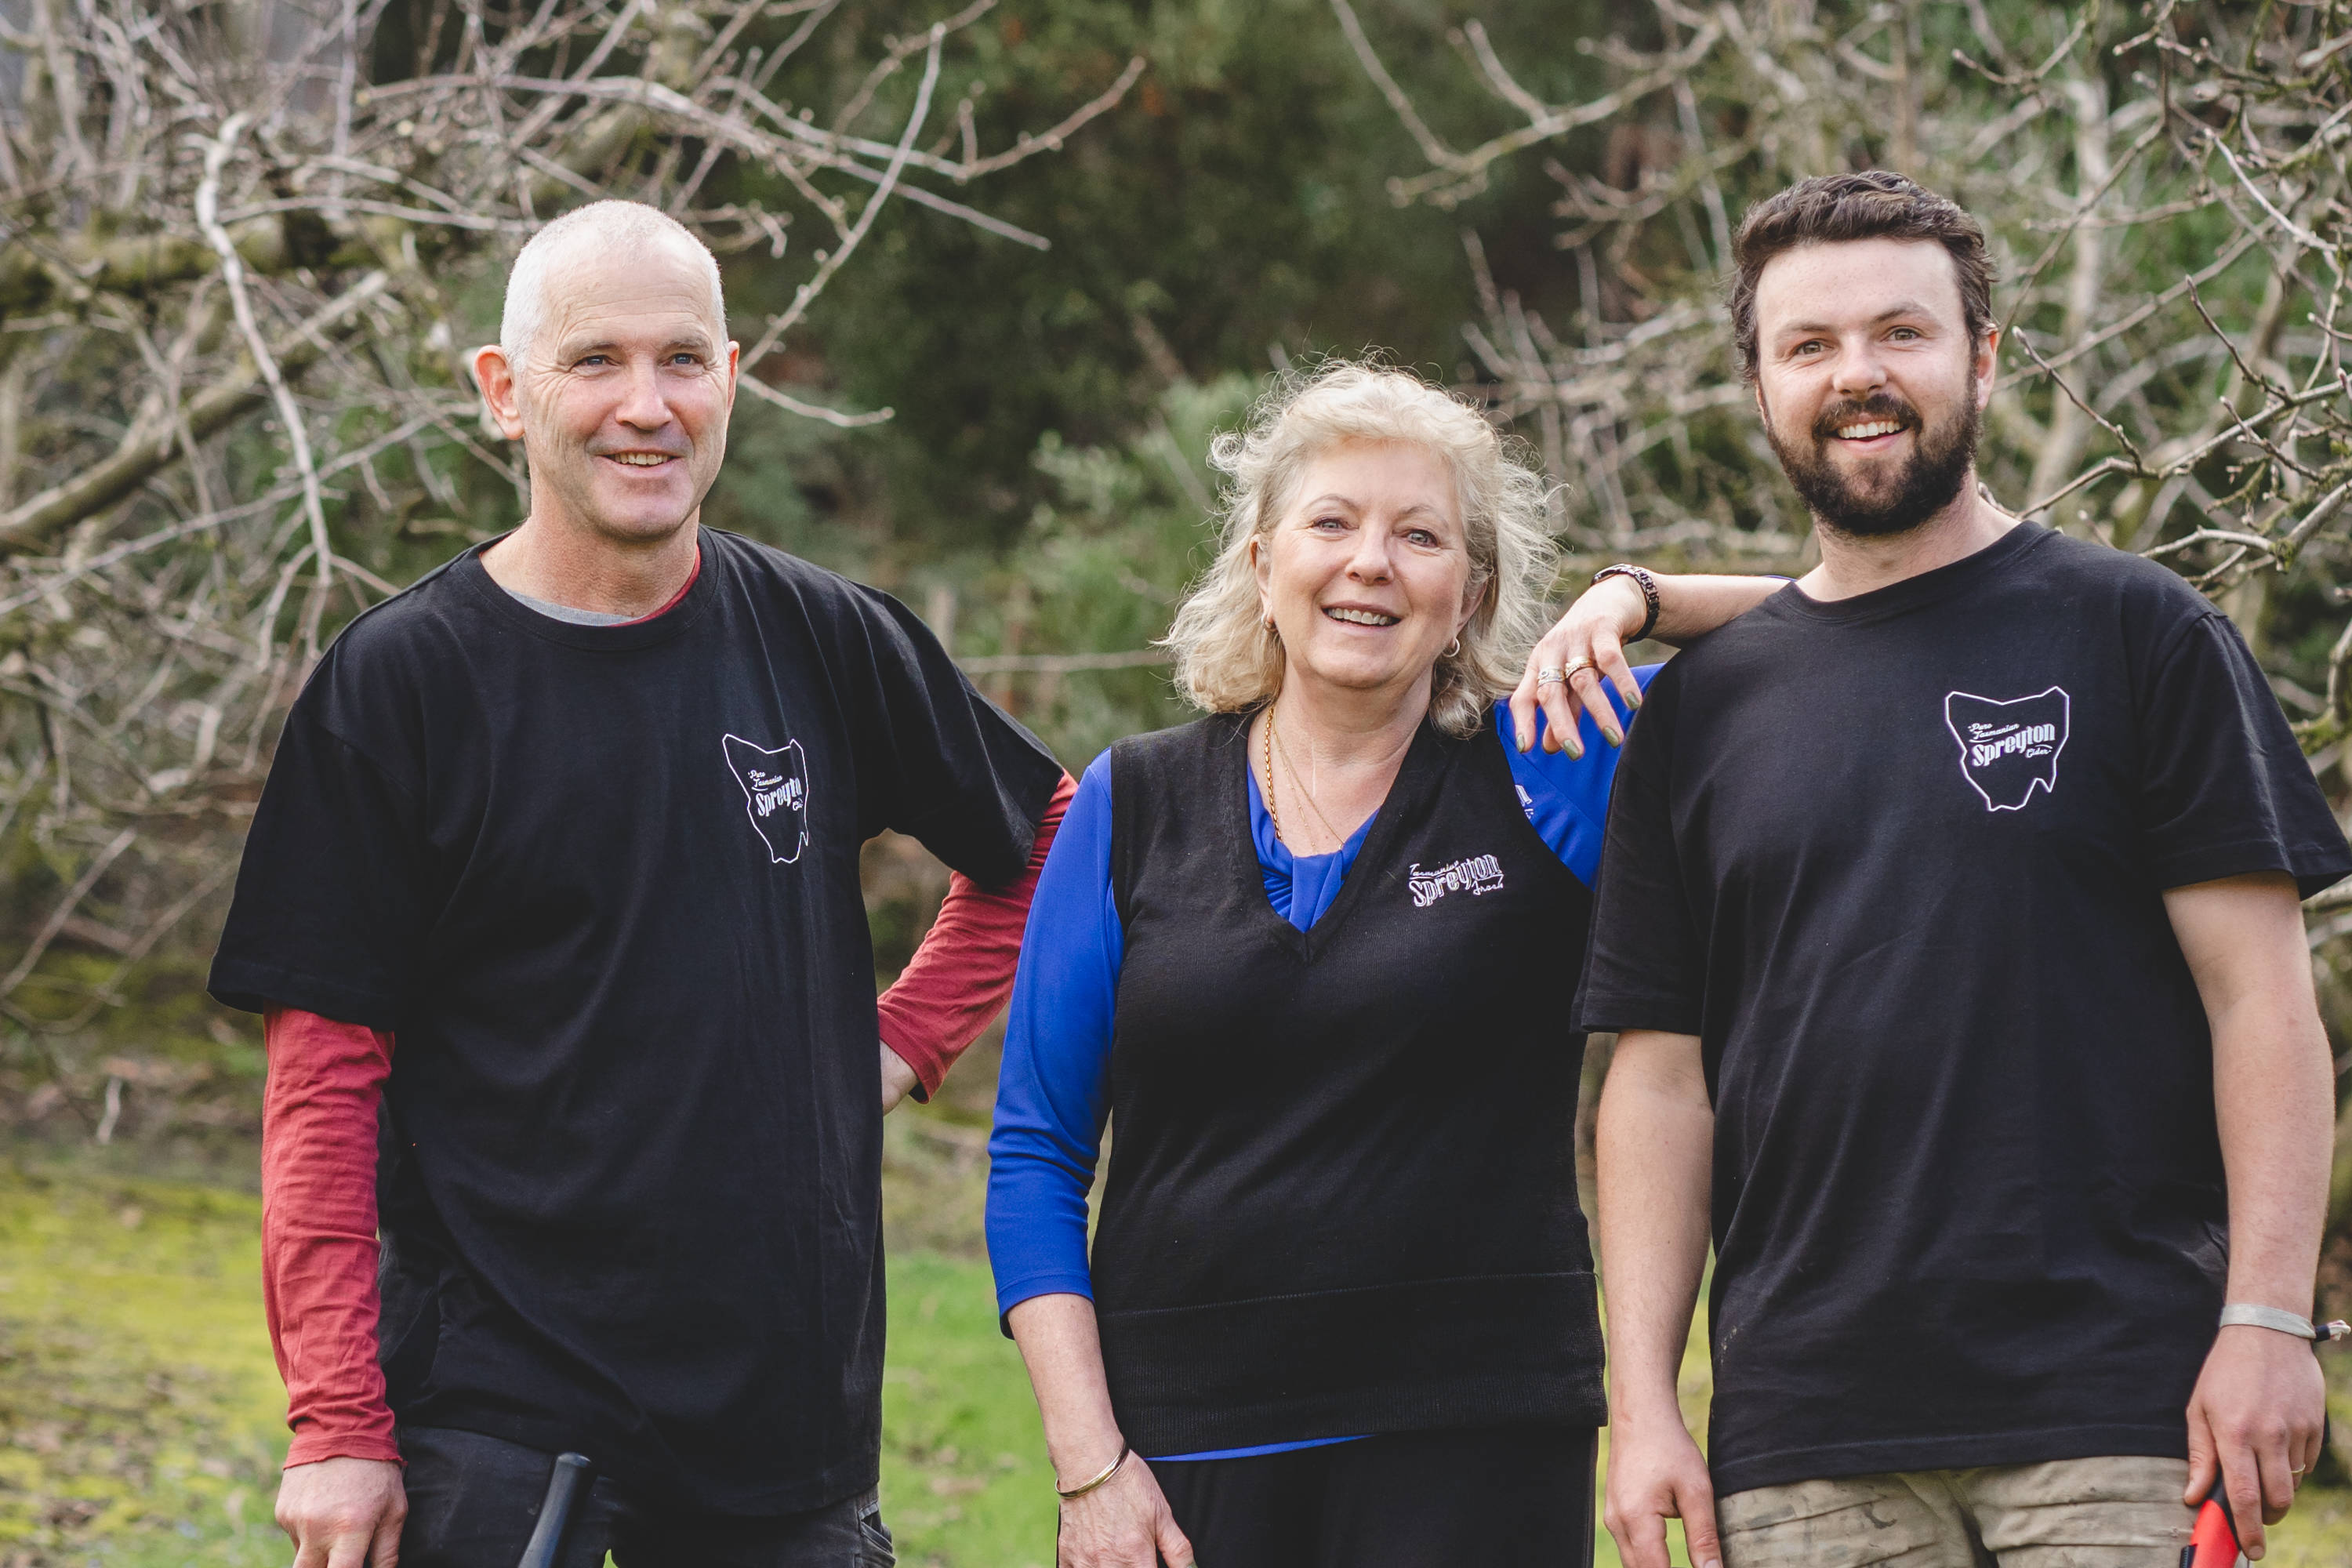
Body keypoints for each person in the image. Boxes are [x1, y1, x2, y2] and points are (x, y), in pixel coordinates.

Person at [209, 200, 1073, 1567]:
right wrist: (336, 1427)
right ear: (505, 394)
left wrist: (902, 1040)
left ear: (733, 380)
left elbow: (1051, 840)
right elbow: (322, 1079)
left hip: (780, 1418)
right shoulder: (403, 686)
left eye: (682, 360)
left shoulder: (825, 635)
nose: (647, 406)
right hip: (488, 1411)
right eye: (594, 361)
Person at [1575, 171, 2352, 1568]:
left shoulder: (2139, 635)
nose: (1857, 376)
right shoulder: (1698, 711)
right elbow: (1660, 1080)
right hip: (1807, 1441)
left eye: (1901, 334)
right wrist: (1643, 1406)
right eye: (1808, 347)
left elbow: (2263, 1007)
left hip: (2122, 1415)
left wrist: (2267, 1320)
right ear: (1758, 385)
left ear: (1984, 357)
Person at [983, 361, 1777, 1568]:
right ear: (1261, 562)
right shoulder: (1129, 801)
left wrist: (1635, 598)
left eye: (1421, 536)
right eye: (1333, 523)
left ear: (1470, 593)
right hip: (1183, 1451)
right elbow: (1036, 1151)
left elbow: (1845, 621)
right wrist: (1091, 1467)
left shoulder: (1552, 758)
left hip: (1479, 1436)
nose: (1372, 564)